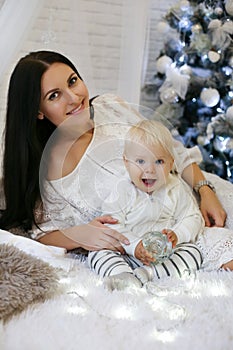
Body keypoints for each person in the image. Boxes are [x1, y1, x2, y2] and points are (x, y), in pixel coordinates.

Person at [0, 50, 233, 274]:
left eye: (73, 81)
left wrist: (205, 190)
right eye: (54, 95)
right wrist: (80, 234)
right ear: (38, 111)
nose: (74, 98)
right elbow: (41, 232)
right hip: (146, 244)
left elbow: (171, 149)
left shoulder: (110, 107)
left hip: (191, 204)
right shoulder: (48, 168)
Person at [88, 120, 204, 290]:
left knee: (193, 253)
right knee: (97, 252)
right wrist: (134, 247)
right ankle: (121, 275)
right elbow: (113, 226)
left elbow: (193, 218)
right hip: (128, 252)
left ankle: (145, 275)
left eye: (159, 162)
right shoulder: (122, 189)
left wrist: (177, 235)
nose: (149, 169)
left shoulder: (175, 188)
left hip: (164, 255)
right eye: (141, 161)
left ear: (171, 164)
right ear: (126, 163)